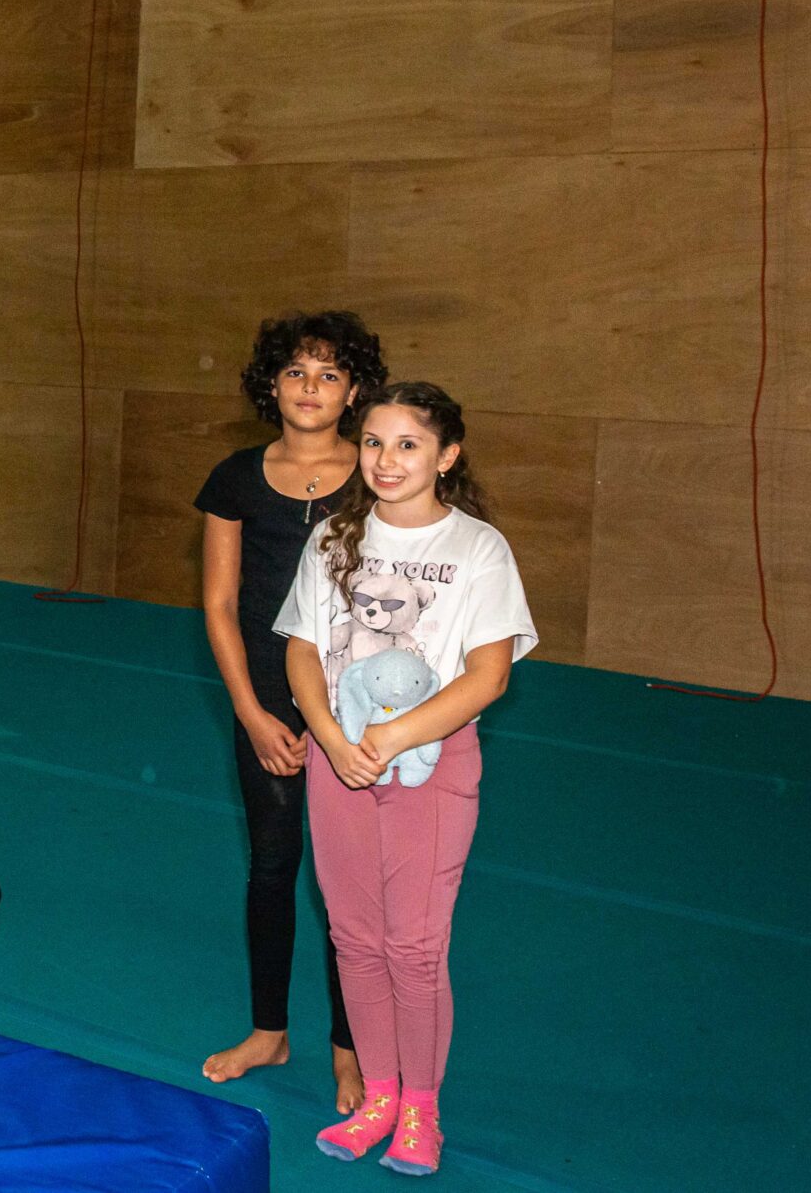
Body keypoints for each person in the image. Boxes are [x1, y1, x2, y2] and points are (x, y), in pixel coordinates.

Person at [277, 382, 536, 1177]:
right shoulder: (333, 539)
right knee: (354, 937)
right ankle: (380, 1092)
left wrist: (392, 734)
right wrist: (331, 735)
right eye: (375, 443)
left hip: (430, 761)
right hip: (340, 760)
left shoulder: (478, 549)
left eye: (409, 444)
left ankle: (421, 1106)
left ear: (446, 455)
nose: (387, 460)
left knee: (414, 947)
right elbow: (303, 648)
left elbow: (488, 673)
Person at [196, 313, 386, 1110]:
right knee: (274, 865)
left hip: (356, 698)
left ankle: (351, 1047)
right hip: (269, 699)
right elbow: (220, 601)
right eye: (297, 372)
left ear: (355, 392)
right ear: (271, 384)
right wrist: (248, 709)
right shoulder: (236, 478)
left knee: (352, 880)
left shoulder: (379, 474)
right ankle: (270, 1029)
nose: (312, 387)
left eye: (330, 374)